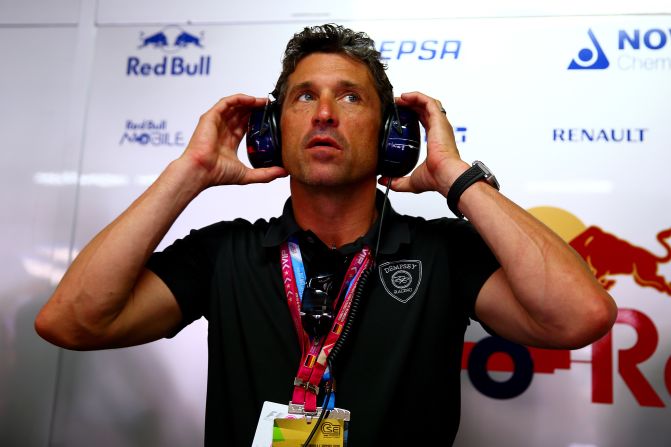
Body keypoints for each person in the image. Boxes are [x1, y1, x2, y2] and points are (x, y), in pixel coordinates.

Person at [35, 24, 617, 446]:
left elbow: (579, 317)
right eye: (304, 96)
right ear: (272, 132)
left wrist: (455, 178)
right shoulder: (225, 254)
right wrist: (189, 173)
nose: (323, 114)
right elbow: (70, 322)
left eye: (350, 96)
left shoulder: (442, 252)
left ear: (393, 136)